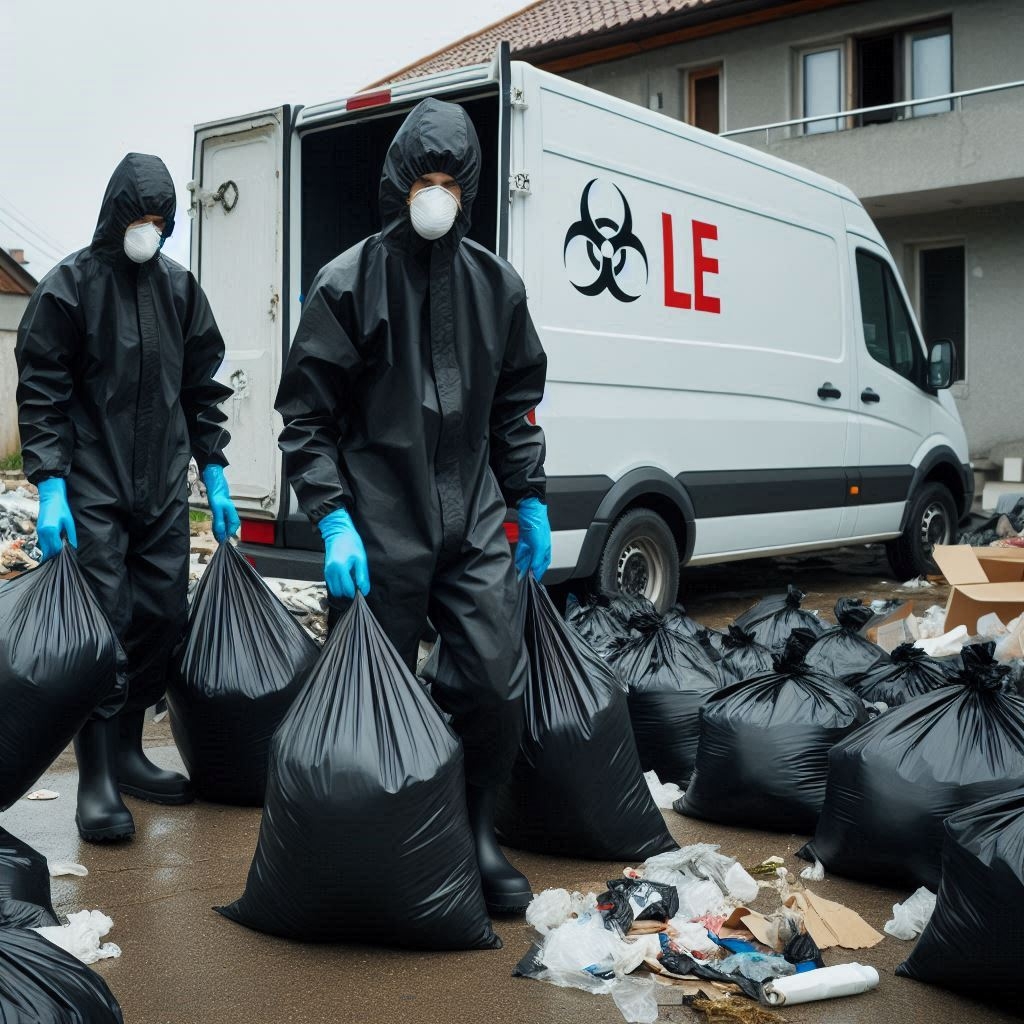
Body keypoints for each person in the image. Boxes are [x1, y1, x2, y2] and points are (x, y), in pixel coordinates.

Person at [276, 99, 551, 913]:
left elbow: (515, 405)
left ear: (468, 189)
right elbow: (306, 418)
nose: (437, 196)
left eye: (450, 183)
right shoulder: (347, 282)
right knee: (375, 697)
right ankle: (380, 841)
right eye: (423, 180)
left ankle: (475, 833)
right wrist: (331, 518)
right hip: (378, 525)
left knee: (495, 683)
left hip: (472, 523)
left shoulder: (496, 286)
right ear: (398, 182)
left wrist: (528, 498)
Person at [16, 153, 239, 843]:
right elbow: (43, 392)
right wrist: (50, 483)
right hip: (93, 486)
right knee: (105, 624)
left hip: (162, 487)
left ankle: (131, 750)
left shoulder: (179, 289)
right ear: (115, 215)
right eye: (139, 218)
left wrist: (217, 470)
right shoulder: (69, 289)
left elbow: (202, 385)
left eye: (160, 221)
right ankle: (97, 779)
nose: (150, 231)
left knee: (162, 615)